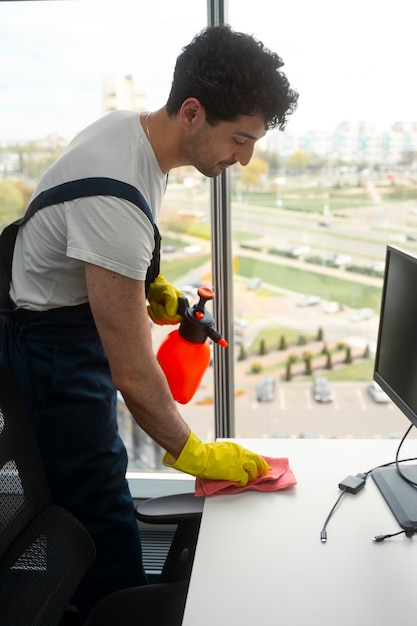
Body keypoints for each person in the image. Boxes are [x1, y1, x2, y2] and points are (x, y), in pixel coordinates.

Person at [0, 24, 298, 622]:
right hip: (52, 358)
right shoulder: (116, 198)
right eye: (239, 139)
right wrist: (194, 452)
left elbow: (70, 236)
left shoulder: (128, 133)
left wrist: (145, 286)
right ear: (192, 112)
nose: (244, 158)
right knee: (100, 515)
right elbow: (135, 374)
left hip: (54, 325)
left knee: (92, 501)